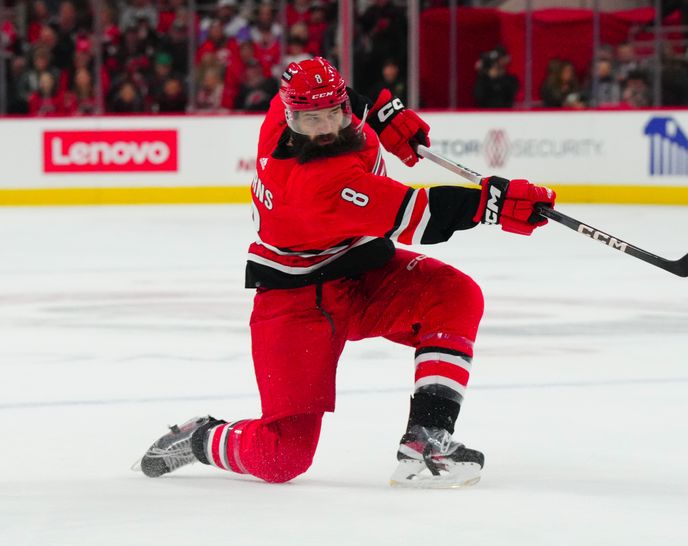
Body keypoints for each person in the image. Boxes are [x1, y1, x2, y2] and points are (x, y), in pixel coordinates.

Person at [134, 57, 556, 488]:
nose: (324, 130)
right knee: (283, 457)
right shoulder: (319, 183)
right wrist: (494, 204)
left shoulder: (287, 110)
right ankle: (200, 438)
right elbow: (421, 216)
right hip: (296, 304)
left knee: (455, 296)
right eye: (310, 121)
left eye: (333, 114)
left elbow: (332, 92)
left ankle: (426, 442)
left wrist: (381, 112)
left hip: (362, 274)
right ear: (291, 117)